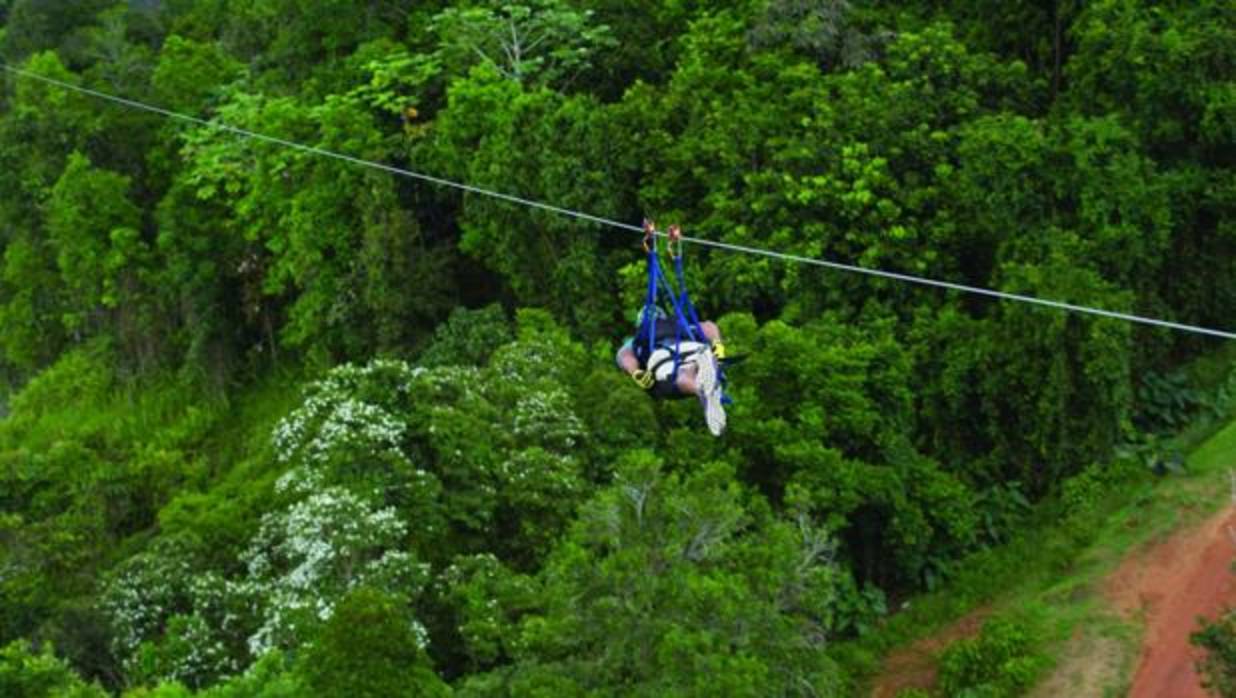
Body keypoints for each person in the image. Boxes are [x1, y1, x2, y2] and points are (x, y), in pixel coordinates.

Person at [615, 311, 727, 436]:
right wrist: (718, 343)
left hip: (663, 357)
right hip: (692, 347)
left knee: (678, 377)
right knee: (695, 362)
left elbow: (623, 355)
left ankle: (700, 390)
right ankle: (706, 371)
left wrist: (635, 372)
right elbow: (708, 325)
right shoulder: (680, 326)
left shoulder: (639, 338)